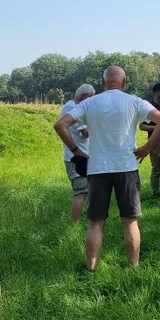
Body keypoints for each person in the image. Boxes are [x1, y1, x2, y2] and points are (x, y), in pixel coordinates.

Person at [54, 66, 160, 271]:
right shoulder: (134, 101)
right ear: (124, 83)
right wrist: (146, 148)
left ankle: (90, 268)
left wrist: (75, 150)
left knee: (95, 223)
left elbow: (60, 125)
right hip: (126, 166)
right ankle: (133, 267)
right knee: (130, 221)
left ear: (102, 81)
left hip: (98, 168)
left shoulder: (90, 102)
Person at [60, 84, 96, 223]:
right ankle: (74, 223)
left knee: (86, 190)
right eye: (90, 99)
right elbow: (85, 132)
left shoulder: (71, 106)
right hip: (76, 157)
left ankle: (87, 218)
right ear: (83, 96)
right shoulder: (74, 108)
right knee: (81, 192)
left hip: (82, 155)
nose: (91, 102)